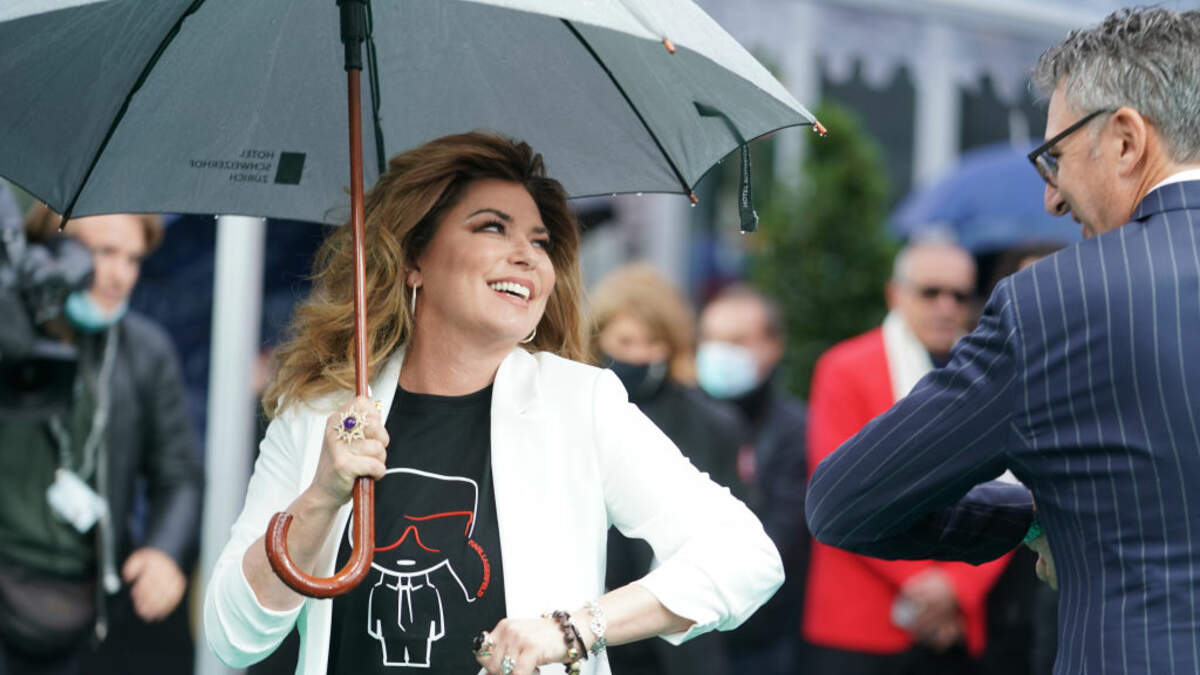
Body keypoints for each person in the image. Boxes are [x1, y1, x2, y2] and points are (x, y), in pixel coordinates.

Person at [203, 132, 783, 675]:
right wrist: (321, 497)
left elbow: (745, 556)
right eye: (492, 228)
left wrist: (576, 629)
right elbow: (232, 635)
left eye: (540, 241)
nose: (527, 255)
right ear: (413, 260)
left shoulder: (581, 404)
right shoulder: (320, 414)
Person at [806, 7, 1200, 674]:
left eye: (1055, 158)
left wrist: (1038, 516)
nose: (1052, 200)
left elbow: (844, 503)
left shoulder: (1056, 301)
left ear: (1127, 140)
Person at [0, 207, 203, 675]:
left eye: (133, 259)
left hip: (84, 609)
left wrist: (163, 550)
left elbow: (179, 474)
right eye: (105, 252)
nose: (120, 276)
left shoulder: (146, 352)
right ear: (49, 248)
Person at [803, 237, 1009, 675]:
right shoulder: (844, 367)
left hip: (955, 621)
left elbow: (1015, 486)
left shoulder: (992, 370)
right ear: (895, 294)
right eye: (930, 292)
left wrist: (958, 586)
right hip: (861, 623)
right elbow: (839, 494)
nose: (946, 306)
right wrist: (925, 586)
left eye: (959, 295)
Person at [589, 263, 745, 675]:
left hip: (678, 643)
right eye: (625, 341)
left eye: (653, 342)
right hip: (588, 628)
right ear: (598, 339)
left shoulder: (712, 423)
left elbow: (732, 531)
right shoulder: (576, 412)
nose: (639, 355)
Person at [695, 285, 808, 674]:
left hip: (765, 641)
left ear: (773, 346)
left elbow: (782, 537)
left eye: (737, 341)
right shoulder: (677, 417)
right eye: (711, 339)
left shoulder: (794, 430)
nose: (719, 352)